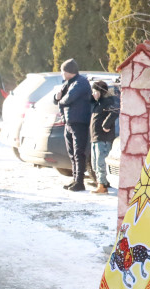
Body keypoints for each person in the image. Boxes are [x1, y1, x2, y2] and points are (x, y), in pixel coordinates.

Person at [53, 58, 92, 192]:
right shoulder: (67, 83)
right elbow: (57, 98)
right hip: (69, 122)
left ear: (69, 71)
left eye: (63, 71)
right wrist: (56, 98)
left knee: (78, 152)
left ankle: (80, 182)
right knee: (71, 152)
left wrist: (60, 100)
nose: (62, 74)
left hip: (79, 122)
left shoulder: (81, 82)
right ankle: (75, 178)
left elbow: (69, 97)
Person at [90, 80, 119, 194]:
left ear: (101, 92)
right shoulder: (97, 103)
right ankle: (100, 182)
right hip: (95, 137)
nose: (93, 94)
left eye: (95, 91)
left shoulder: (108, 102)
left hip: (103, 138)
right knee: (95, 163)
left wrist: (106, 125)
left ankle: (102, 185)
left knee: (100, 162)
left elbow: (115, 111)